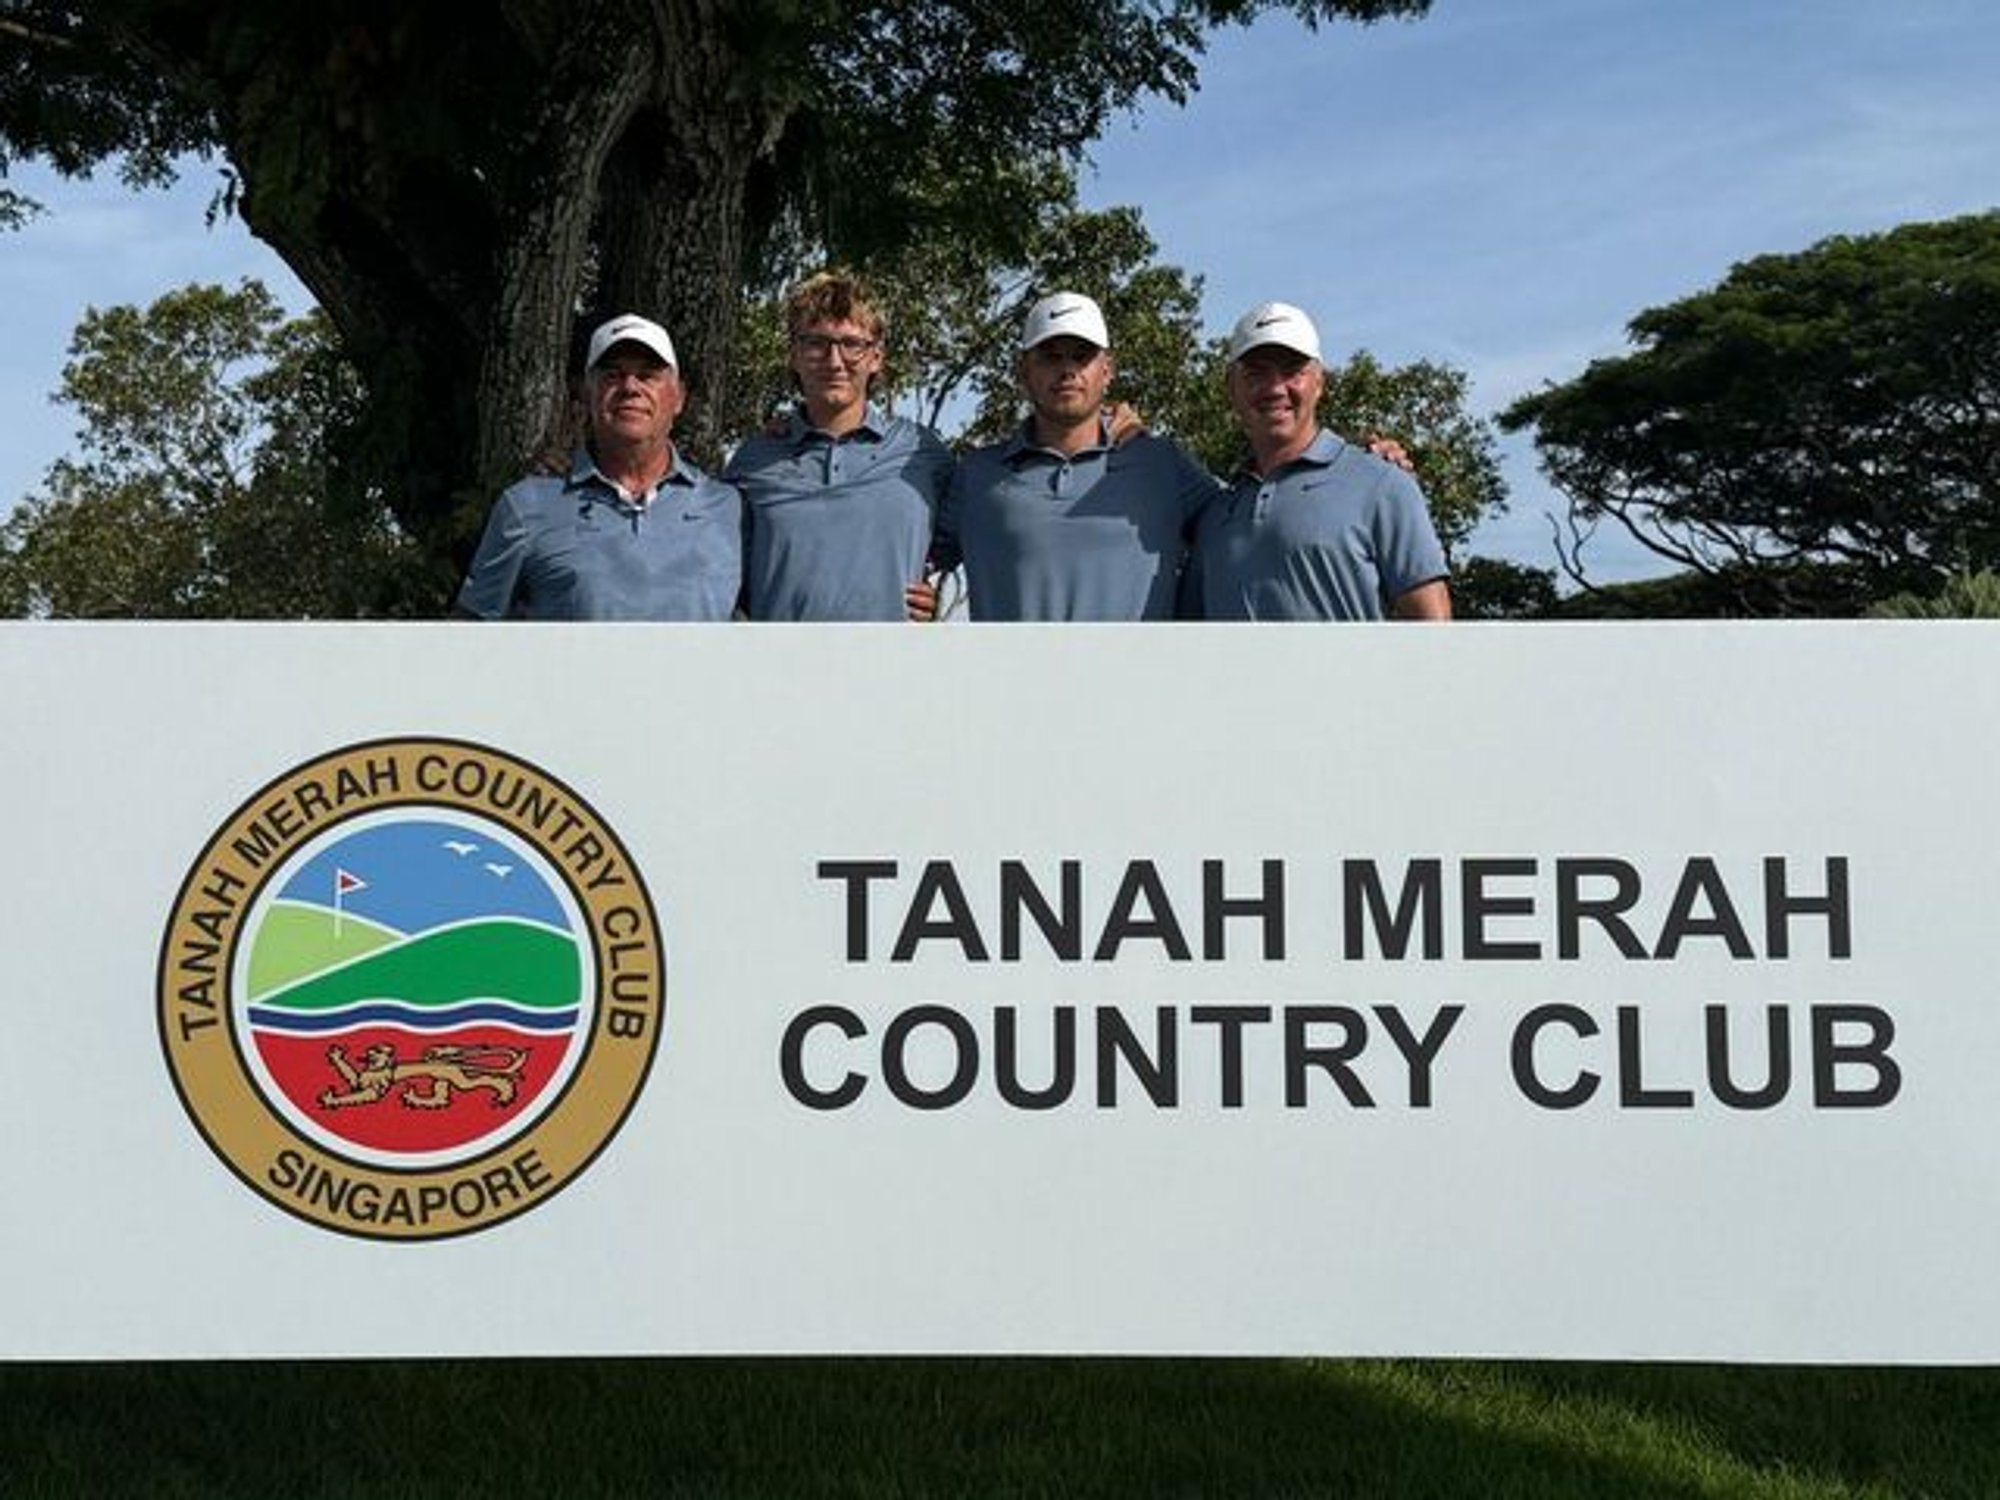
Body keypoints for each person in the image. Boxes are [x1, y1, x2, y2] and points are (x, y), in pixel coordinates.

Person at [933, 291, 1218, 620]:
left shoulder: (1163, 464)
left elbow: (1242, 538)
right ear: (1023, 370)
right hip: (1008, 673)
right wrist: (917, 599)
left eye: (1081, 356)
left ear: (1107, 370)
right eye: (1051, 357)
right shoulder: (976, 475)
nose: (1067, 370)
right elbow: (907, 556)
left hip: (1139, 673)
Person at [455, 313, 741, 620]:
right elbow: (469, 635)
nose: (630, 386)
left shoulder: (728, 507)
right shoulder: (525, 506)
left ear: (678, 397)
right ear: (586, 394)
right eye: (612, 375)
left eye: (647, 375)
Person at [1187, 301, 1451, 621]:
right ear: (1231, 387)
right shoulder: (1215, 514)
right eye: (1257, 373)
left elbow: (1432, 626)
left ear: (1318, 383)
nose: (1275, 388)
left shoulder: (1382, 484)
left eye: (1292, 371)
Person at [725, 271, 951, 621]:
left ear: (876, 356)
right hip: (779, 669)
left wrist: (942, 593)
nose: (834, 361)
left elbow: (978, 546)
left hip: (894, 669)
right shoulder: (754, 459)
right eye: (816, 343)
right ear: (794, 355)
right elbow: (721, 576)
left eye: (852, 344)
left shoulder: (922, 452)